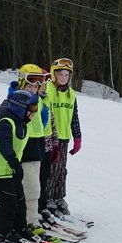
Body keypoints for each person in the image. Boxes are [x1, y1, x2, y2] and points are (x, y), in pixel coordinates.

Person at [0, 89, 39, 243]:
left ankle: (21, 228)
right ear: (20, 108)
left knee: (21, 203)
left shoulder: (22, 124)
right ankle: (4, 232)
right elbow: (5, 147)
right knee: (8, 205)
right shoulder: (6, 123)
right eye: (32, 109)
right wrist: (15, 164)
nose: (34, 113)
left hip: (11, 170)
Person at [9, 64, 54, 236]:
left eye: (36, 86)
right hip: (24, 145)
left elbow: (43, 119)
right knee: (27, 185)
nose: (33, 90)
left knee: (35, 186)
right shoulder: (16, 100)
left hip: (37, 144)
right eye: (30, 86)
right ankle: (24, 220)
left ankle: (32, 219)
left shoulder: (39, 100)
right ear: (22, 84)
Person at [45, 57, 84, 218]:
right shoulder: (47, 89)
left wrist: (77, 137)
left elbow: (74, 117)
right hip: (49, 138)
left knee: (61, 170)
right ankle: (47, 197)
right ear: (54, 74)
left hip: (64, 138)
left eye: (66, 75)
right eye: (60, 74)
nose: (63, 77)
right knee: (51, 170)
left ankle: (59, 196)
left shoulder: (71, 94)